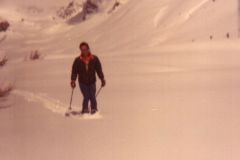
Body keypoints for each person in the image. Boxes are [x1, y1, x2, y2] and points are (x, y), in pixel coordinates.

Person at [71, 42, 106, 114]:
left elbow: (99, 70)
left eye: (85, 49)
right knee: (86, 95)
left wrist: (102, 79)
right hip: (82, 82)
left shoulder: (94, 59)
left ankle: (94, 109)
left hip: (92, 81)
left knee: (92, 96)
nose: (84, 51)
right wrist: (73, 80)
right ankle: (85, 109)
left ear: (88, 49)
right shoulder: (77, 60)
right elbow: (74, 71)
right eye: (82, 49)